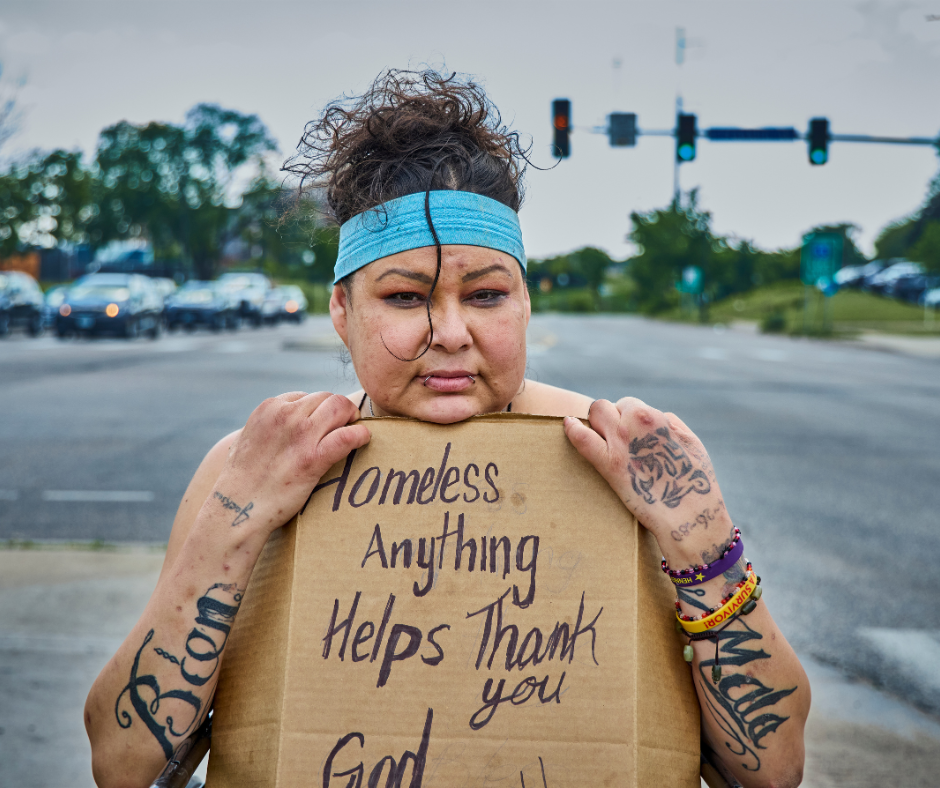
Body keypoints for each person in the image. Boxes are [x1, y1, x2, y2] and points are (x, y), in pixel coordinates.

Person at [85, 70, 809, 788]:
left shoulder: (622, 459)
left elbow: (772, 772)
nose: (452, 333)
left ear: (525, 303)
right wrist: (233, 519)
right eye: (405, 297)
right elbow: (124, 767)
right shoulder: (248, 469)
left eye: (487, 294)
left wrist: (704, 543)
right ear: (342, 311)